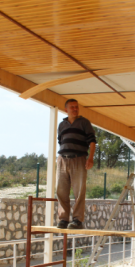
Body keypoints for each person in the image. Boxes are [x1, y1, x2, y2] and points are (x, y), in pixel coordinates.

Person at [56, 98, 97, 230]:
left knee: (79, 191)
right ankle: (63, 219)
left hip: (79, 159)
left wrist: (90, 158)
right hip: (62, 159)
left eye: (76, 107)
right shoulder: (62, 125)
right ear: (66, 109)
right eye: (72, 107)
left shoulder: (84, 122)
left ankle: (77, 220)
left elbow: (92, 141)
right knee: (61, 190)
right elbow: (61, 142)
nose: (75, 109)